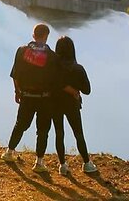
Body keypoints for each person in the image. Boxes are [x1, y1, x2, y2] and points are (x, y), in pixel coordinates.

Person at [1, 23, 56, 173]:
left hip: (26, 95)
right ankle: (39, 162)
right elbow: (55, 79)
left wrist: (17, 91)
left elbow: (15, 74)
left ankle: (9, 152)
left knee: (20, 124)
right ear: (46, 36)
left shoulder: (22, 51)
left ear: (33, 35)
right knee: (43, 130)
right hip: (45, 98)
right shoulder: (51, 56)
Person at [52, 35, 97, 175]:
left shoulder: (53, 68)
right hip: (72, 104)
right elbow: (87, 90)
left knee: (59, 134)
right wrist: (74, 89)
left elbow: (51, 83)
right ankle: (87, 164)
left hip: (55, 103)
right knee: (78, 133)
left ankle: (63, 166)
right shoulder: (78, 68)